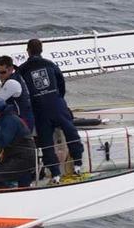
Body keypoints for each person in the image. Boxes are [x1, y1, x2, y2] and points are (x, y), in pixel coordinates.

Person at [17, 38, 84, 183]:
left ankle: (55, 174)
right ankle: (78, 163)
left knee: (47, 142)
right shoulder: (51, 64)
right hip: (57, 105)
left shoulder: (22, 69)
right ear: (41, 50)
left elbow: (22, 93)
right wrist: (58, 99)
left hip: (39, 110)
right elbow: (61, 84)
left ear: (27, 51)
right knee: (71, 132)